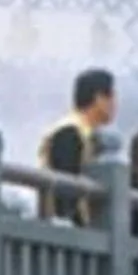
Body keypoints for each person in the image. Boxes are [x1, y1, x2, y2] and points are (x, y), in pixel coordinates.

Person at [40, 67, 117, 222]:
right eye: (112, 98)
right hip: (64, 228)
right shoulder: (69, 132)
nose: (115, 105)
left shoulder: (88, 133)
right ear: (99, 98)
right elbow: (65, 189)